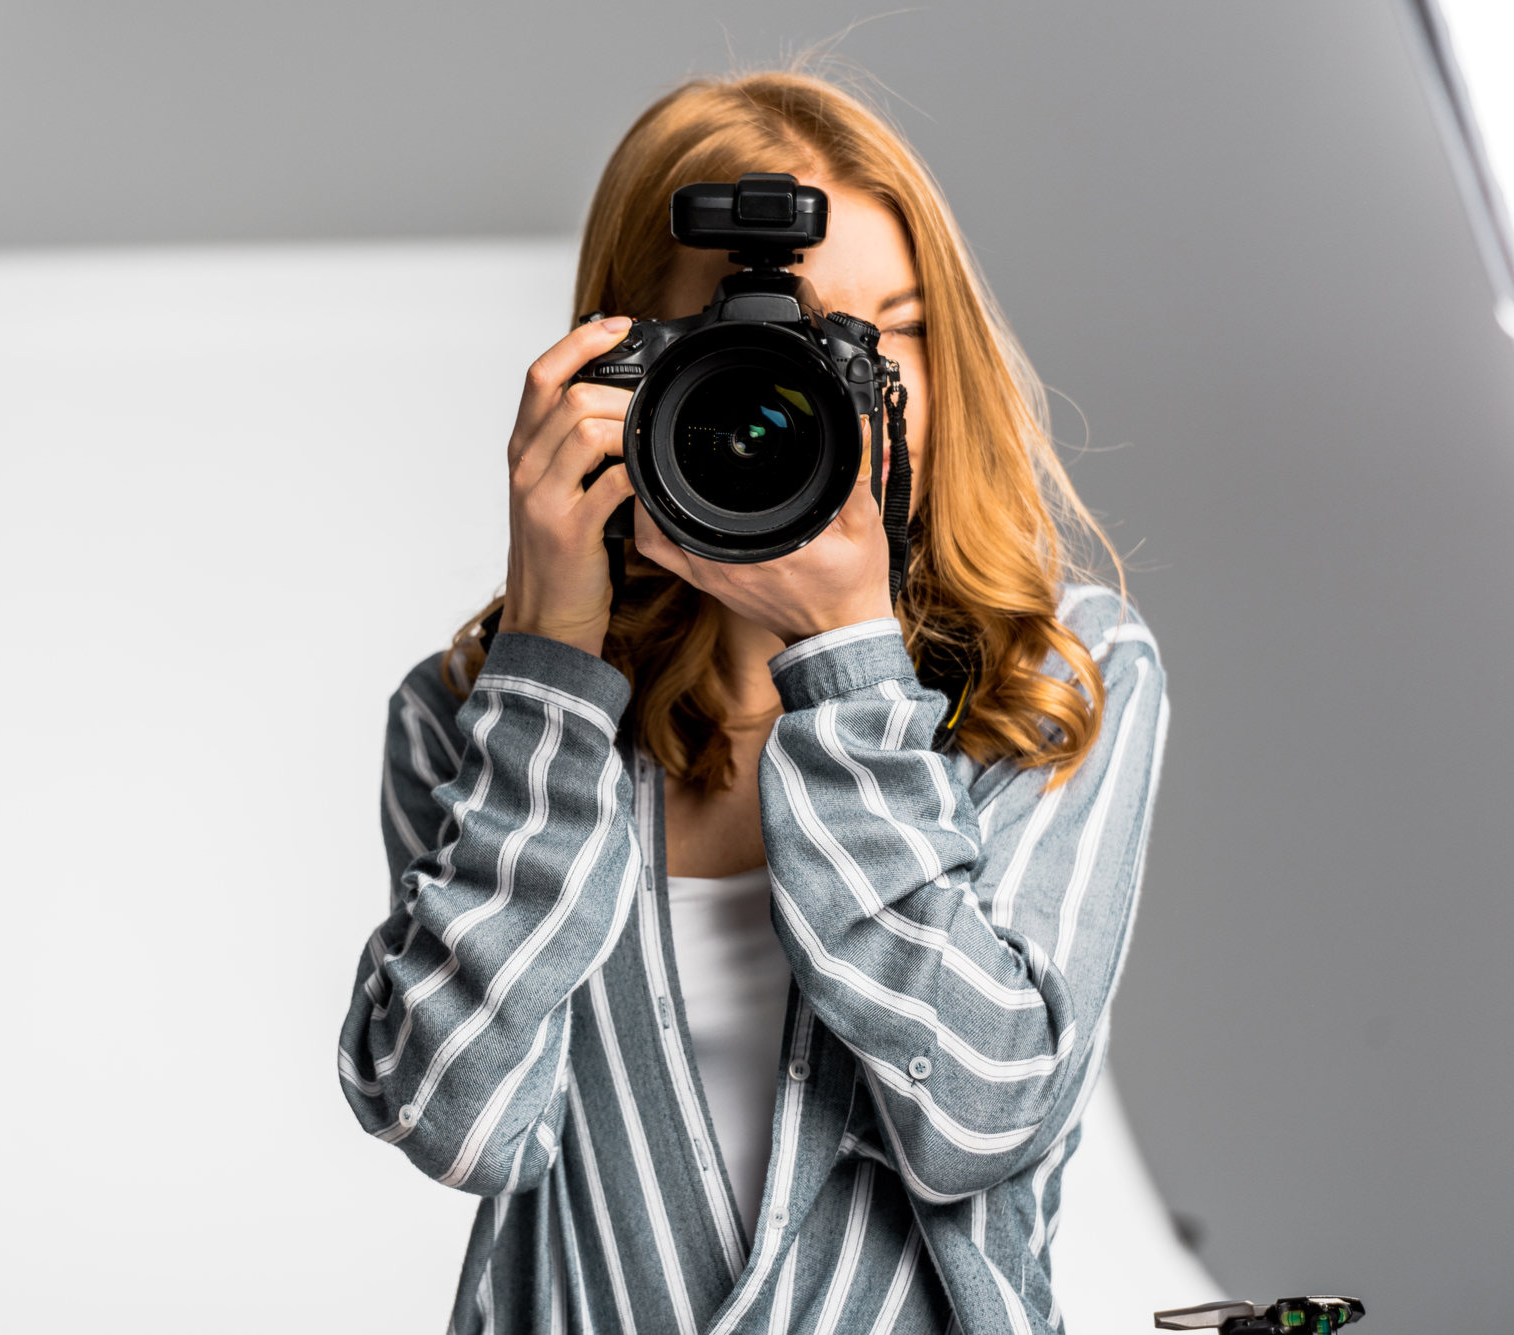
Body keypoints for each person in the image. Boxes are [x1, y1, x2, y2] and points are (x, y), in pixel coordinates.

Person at [338, 69, 1166, 1335]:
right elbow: (462, 1122)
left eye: (886, 334)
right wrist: (549, 664)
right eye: (767, 353)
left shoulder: (1057, 677)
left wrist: (845, 660)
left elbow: (979, 1115)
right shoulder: (466, 712)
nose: (829, 397)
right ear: (629, 368)